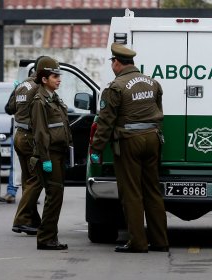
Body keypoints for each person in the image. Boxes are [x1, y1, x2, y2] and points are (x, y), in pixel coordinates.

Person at [90, 43, 169, 253]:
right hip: (152, 139)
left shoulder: (115, 87)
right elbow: (158, 110)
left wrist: (96, 150)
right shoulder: (152, 83)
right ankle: (160, 241)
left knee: (132, 193)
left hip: (129, 142)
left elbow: (106, 122)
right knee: (152, 190)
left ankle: (138, 242)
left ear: (116, 62)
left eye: (112, 62)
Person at [30, 56, 72, 250]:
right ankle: (46, 238)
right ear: (44, 79)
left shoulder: (53, 99)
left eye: (58, 75)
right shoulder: (40, 101)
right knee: (53, 196)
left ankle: (50, 237)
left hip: (58, 153)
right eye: (55, 76)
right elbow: (40, 134)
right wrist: (45, 159)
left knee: (56, 196)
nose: (59, 79)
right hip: (49, 155)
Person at [5, 57, 45, 235]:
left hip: (19, 136)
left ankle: (32, 220)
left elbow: (9, 108)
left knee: (27, 180)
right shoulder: (38, 87)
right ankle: (21, 219)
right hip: (30, 137)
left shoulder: (22, 85)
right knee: (37, 179)